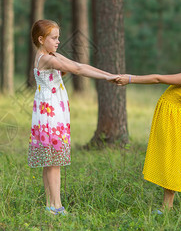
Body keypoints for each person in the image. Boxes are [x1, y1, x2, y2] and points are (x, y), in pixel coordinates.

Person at [114, 40, 181, 212]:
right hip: (170, 118)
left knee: (171, 160)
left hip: (172, 121)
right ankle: (167, 205)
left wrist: (130, 79)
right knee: (167, 159)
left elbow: (158, 78)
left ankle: (168, 207)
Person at [28, 19, 117, 215]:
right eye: (54, 38)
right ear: (41, 39)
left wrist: (108, 75)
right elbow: (76, 70)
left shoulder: (52, 55)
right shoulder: (46, 59)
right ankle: (55, 206)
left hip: (53, 110)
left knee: (51, 161)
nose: (58, 41)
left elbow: (79, 65)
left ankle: (52, 205)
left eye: (58, 37)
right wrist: (107, 78)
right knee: (53, 161)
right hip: (49, 113)